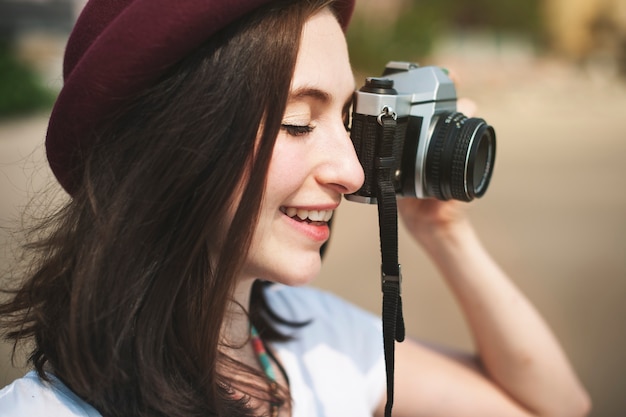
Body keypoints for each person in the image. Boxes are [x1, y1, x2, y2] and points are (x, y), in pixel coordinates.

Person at [0, 0, 591, 416]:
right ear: (174, 143)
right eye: (299, 121)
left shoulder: (323, 341)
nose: (353, 172)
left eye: (343, 119)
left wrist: (444, 233)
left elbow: (555, 406)